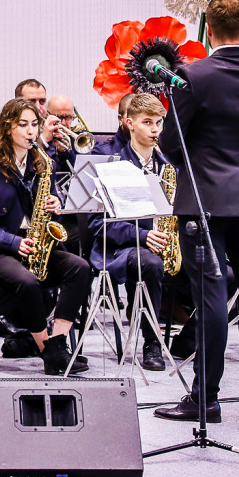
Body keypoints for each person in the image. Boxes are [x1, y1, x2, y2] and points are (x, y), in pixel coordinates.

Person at [155, 0, 239, 422]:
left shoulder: (194, 76)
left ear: (208, 30)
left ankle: (205, 398)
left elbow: (171, 143)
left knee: (210, 294)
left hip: (204, 201)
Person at [0, 97, 92, 375]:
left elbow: (42, 208)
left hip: (33, 244)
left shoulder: (41, 164)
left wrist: (55, 203)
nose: (30, 131)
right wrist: (14, 242)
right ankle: (45, 350)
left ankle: (59, 344)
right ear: (7, 128)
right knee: (27, 281)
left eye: (34, 125)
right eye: (22, 125)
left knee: (79, 267)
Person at [89, 94, 170, 371]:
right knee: (148, 262)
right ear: (130, 124)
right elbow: (97, 224)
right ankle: (152, 343)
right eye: (147, 122)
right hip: (120, 248)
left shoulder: (170, 164)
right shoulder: (109, 161)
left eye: (159, 122)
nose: (155, 129)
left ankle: (189, 338)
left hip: (164, 242)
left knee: (221, 271)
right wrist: (143, 236)